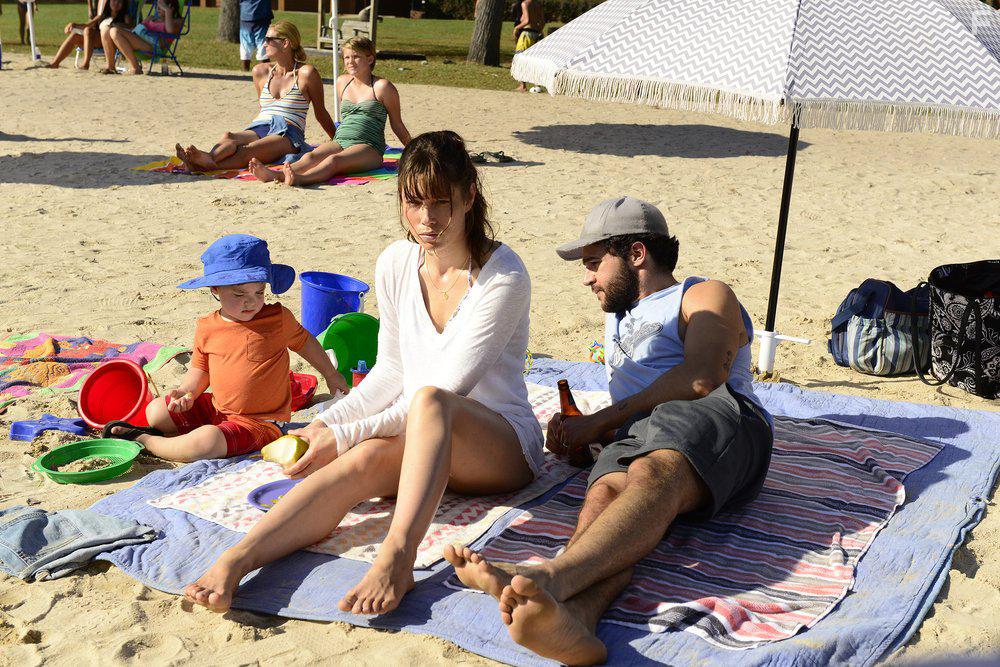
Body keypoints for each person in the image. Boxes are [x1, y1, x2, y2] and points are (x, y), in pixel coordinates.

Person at [183, 130, 543, 617]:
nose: (427, 219)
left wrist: (347, 431)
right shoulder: (396, 262)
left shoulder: (503, 275)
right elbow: (390, 371)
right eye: (414, 202)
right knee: (355, 462)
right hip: (423, 438)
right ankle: (238, 559)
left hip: (498, 446)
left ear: (469, 196)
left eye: (441, 202)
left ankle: (398, 554)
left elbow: (440, 392)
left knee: (427, 405)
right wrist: (330, 425)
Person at [445, 196, 774, 665]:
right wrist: (589, 431)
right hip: (641, 431)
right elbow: (636, 400)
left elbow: (701, 378)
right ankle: (578, 616)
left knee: (653, 471)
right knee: (605, 498)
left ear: (638, 255)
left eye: (596, 263)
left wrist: (602, 420)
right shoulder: (615, 313)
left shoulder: (703, 294)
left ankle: (552, 576)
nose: (587, 277)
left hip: (720, 418)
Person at [103, 234, 347, 462]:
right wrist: (187, 393)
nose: (251, 301)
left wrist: (330, 373)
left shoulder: (277, 319)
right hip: (219, 409)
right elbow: (201, 369)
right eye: (239, 294)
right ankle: (167, 434)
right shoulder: (208, 327)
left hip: (262, 423)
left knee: (207, 441)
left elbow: (305, 343)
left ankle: (144, 440)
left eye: (259, 292)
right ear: (215, 290)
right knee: (157, 410)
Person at [248, 36, 411, 187]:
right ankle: (275, 174)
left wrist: (413, 150)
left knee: (334, 161)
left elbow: (397, 124)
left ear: (370, 59)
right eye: (347, 57)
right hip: (341, 140)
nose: (350, 62)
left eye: (356, 57)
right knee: (311, 157)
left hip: (368, 147)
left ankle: (300, 179)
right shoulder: (342, 82)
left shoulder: (382, 87)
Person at [176, 21, 336, 173]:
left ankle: (203, 165)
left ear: (285, 43)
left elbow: (320, 113)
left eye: (268, 39)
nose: (263, 43)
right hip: (262, 124)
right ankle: (208, 159)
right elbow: (264, 109)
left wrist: (338, 141)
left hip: (289, 132)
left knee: (249, 151)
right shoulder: (260, 72)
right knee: (229, 137)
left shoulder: (306, 74)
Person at [46, 0, 132, 70]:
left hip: (108, 43)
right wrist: (74, 25)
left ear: (123, 4)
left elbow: (130, 28)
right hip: (94, 41)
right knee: (75, 35)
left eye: (119, 2)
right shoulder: (102, 16)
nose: (116, 3)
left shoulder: (125, 16)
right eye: (113, 0)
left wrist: (116, 25)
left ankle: (85, 64)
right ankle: (55, 63)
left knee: (88, 30)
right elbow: (87, 25)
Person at [101, 0, 181, 75]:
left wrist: (167, 11)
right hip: (138, 39)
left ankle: (136, 68)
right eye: (158, 6)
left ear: (171, 8)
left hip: (152, 46)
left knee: (114, 31)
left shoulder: (177, 21)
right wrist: (120, 26)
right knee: (106, 29)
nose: (158, 9)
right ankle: (110, 67)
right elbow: (136, 28)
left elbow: (170, 30)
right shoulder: (151, 18)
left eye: (162, 6)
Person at [512, 0, 544, 92]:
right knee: (534, 60)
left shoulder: (525, 4)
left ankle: (522, 85)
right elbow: (542, 22)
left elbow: (527, 20)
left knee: (519, 59)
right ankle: (536, 85)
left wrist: (516, 28)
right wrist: (538, 30)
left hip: (526, 35)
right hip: (536, 34)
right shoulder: (538, 4)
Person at [238, 0, 272, 72]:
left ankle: (245, 72)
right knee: (263, 47)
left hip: (245, 15)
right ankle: (266, 74)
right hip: (262, 16)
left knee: (245, 46)